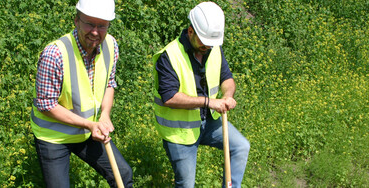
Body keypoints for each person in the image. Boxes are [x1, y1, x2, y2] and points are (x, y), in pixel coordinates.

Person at [30, 0, 133, 187]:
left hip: (87, 132)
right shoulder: (54, 54)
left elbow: (110, 83)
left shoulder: (111, 45)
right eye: (89, 24)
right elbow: (46, 105)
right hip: (54, 136)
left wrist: (105, 115)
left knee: (123, 176)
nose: (95, 31)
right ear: (76, 21)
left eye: (101, 25)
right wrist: (88, 124)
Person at [152, 2, 250, 188]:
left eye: (211, 43)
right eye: (203, 42)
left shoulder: (212, 47)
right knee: (186, 185)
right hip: (180, 132)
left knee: (241, 147)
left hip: (209, 122)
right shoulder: (169, 56)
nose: (207, 47)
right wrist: (209, 102)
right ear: (190, 31)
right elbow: (170, 97)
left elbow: (226, 78)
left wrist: (227, 95)